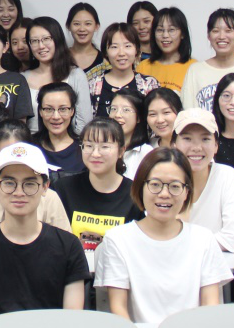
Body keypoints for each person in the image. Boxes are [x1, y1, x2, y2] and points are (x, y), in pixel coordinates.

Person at [0, 143, 90, 324]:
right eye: (9, 183)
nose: (19, 192)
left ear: (45, 187)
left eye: (29, 184)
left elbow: (72, 322)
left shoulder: (69, 246)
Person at [96, 148, 232, 324]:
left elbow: (210, 306)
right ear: (140, 187)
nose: (164, 194)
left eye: (175, 186)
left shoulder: (204, 240)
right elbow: (118, 308)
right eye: (155, 184)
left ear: (187, 192)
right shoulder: (118, 240)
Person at [54, 118, 142, 250]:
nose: (95, 154)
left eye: (104, 147)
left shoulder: (135, 193)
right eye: (89, 146)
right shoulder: (62, 189)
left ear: (121, 151)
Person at [174, 108, 234, 252]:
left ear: (216, 146)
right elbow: (159, 234)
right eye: (187, 139)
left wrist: (185, 245)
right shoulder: (164, 178)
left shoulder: (226, 176)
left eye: (205, 139)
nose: (196, 148)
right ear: (173, 145)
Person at [24, 17, 92, 134]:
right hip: (32, 142)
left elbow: (84, 123)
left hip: (70, 142)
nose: (41, 46)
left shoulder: (75, 75)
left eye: (46, 39)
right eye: (34, 41)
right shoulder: (23, 78)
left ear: (57, 39)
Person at [180, 8, 234, 111]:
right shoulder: (195, 71)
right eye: (215, 31)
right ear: (208, 35)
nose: (221, 36)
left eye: (228, 31)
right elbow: (188, 112)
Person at [91, 22, 159, 115]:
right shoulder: (93, 85)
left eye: (127, 46)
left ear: (136, 49)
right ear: (106, 51)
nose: (121, 53)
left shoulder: (149, 84)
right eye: (114, 47)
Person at [136, 6, 196, 94]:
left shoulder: (194, 68)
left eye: (171, 30)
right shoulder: (143, 67)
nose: (165, 35)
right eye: (160, 30)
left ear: (182, 34)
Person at [33, 83, 84, 174]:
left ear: (72, 111)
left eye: (63, 109)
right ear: (40, 111)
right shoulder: (29, 147)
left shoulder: (84, 149)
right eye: (49, 109)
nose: (56, 117)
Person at [108, 88, 152, 177]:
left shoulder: (146, 154)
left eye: (126, 110)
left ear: (138, 118)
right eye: (113, 109)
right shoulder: (102, 148)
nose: (117, 115)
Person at [66, 2, 107, 81]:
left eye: (88, 24)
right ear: (68, 26)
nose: (82, 29)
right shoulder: (59, 59)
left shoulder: (105, 62)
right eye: (76, 24)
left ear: (96, 26)